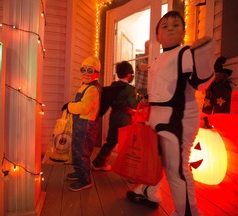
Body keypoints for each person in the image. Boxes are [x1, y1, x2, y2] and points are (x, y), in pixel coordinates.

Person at [126, 11, 215, 215]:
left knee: (176, 167)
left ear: (183, 32)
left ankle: (187, 212)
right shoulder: (160, 58)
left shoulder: (185, 53)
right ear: (157, 35)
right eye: (165, 26)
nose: (171, 29)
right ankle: (148, 190)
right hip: (157, 115)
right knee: (157, 160)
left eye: (176, 25)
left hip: (177, 117)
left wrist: (203, 54)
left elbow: (200, 83)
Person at [61, 56, 102, 192]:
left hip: (86, 126)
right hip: (80, 124)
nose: (85, 73)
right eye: (83, 69)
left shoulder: (92, 89)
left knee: (81, 151)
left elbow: (84, 107)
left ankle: (85, 180)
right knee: (77, 149)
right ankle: (79, 172)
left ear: (96, 73)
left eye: (89, 70)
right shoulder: (86, 87)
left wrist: (70, 106)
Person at [92, 61, 141, 171]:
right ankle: (129, 170)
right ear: (129, 75)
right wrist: (141, 100)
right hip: (125, 118)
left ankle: (99, 163)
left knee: (111, 141)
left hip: (114, 117)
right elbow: (134, 104)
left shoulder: (113, 86)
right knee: (128, 145)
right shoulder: (129, 89)